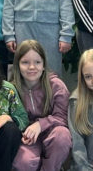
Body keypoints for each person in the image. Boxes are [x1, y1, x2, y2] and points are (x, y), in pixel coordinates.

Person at [10, 40, 71, 171]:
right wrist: (26, 132)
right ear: (18, 66)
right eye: (25, 62)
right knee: (23, 162)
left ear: (43, 65)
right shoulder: (12, 89)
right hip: (27, 138)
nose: (32, 67)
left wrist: (40, 125)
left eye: (37, 62)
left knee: (62, 135)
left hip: (52, 132)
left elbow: (62, 118)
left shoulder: (56, 85)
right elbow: (13, 121)